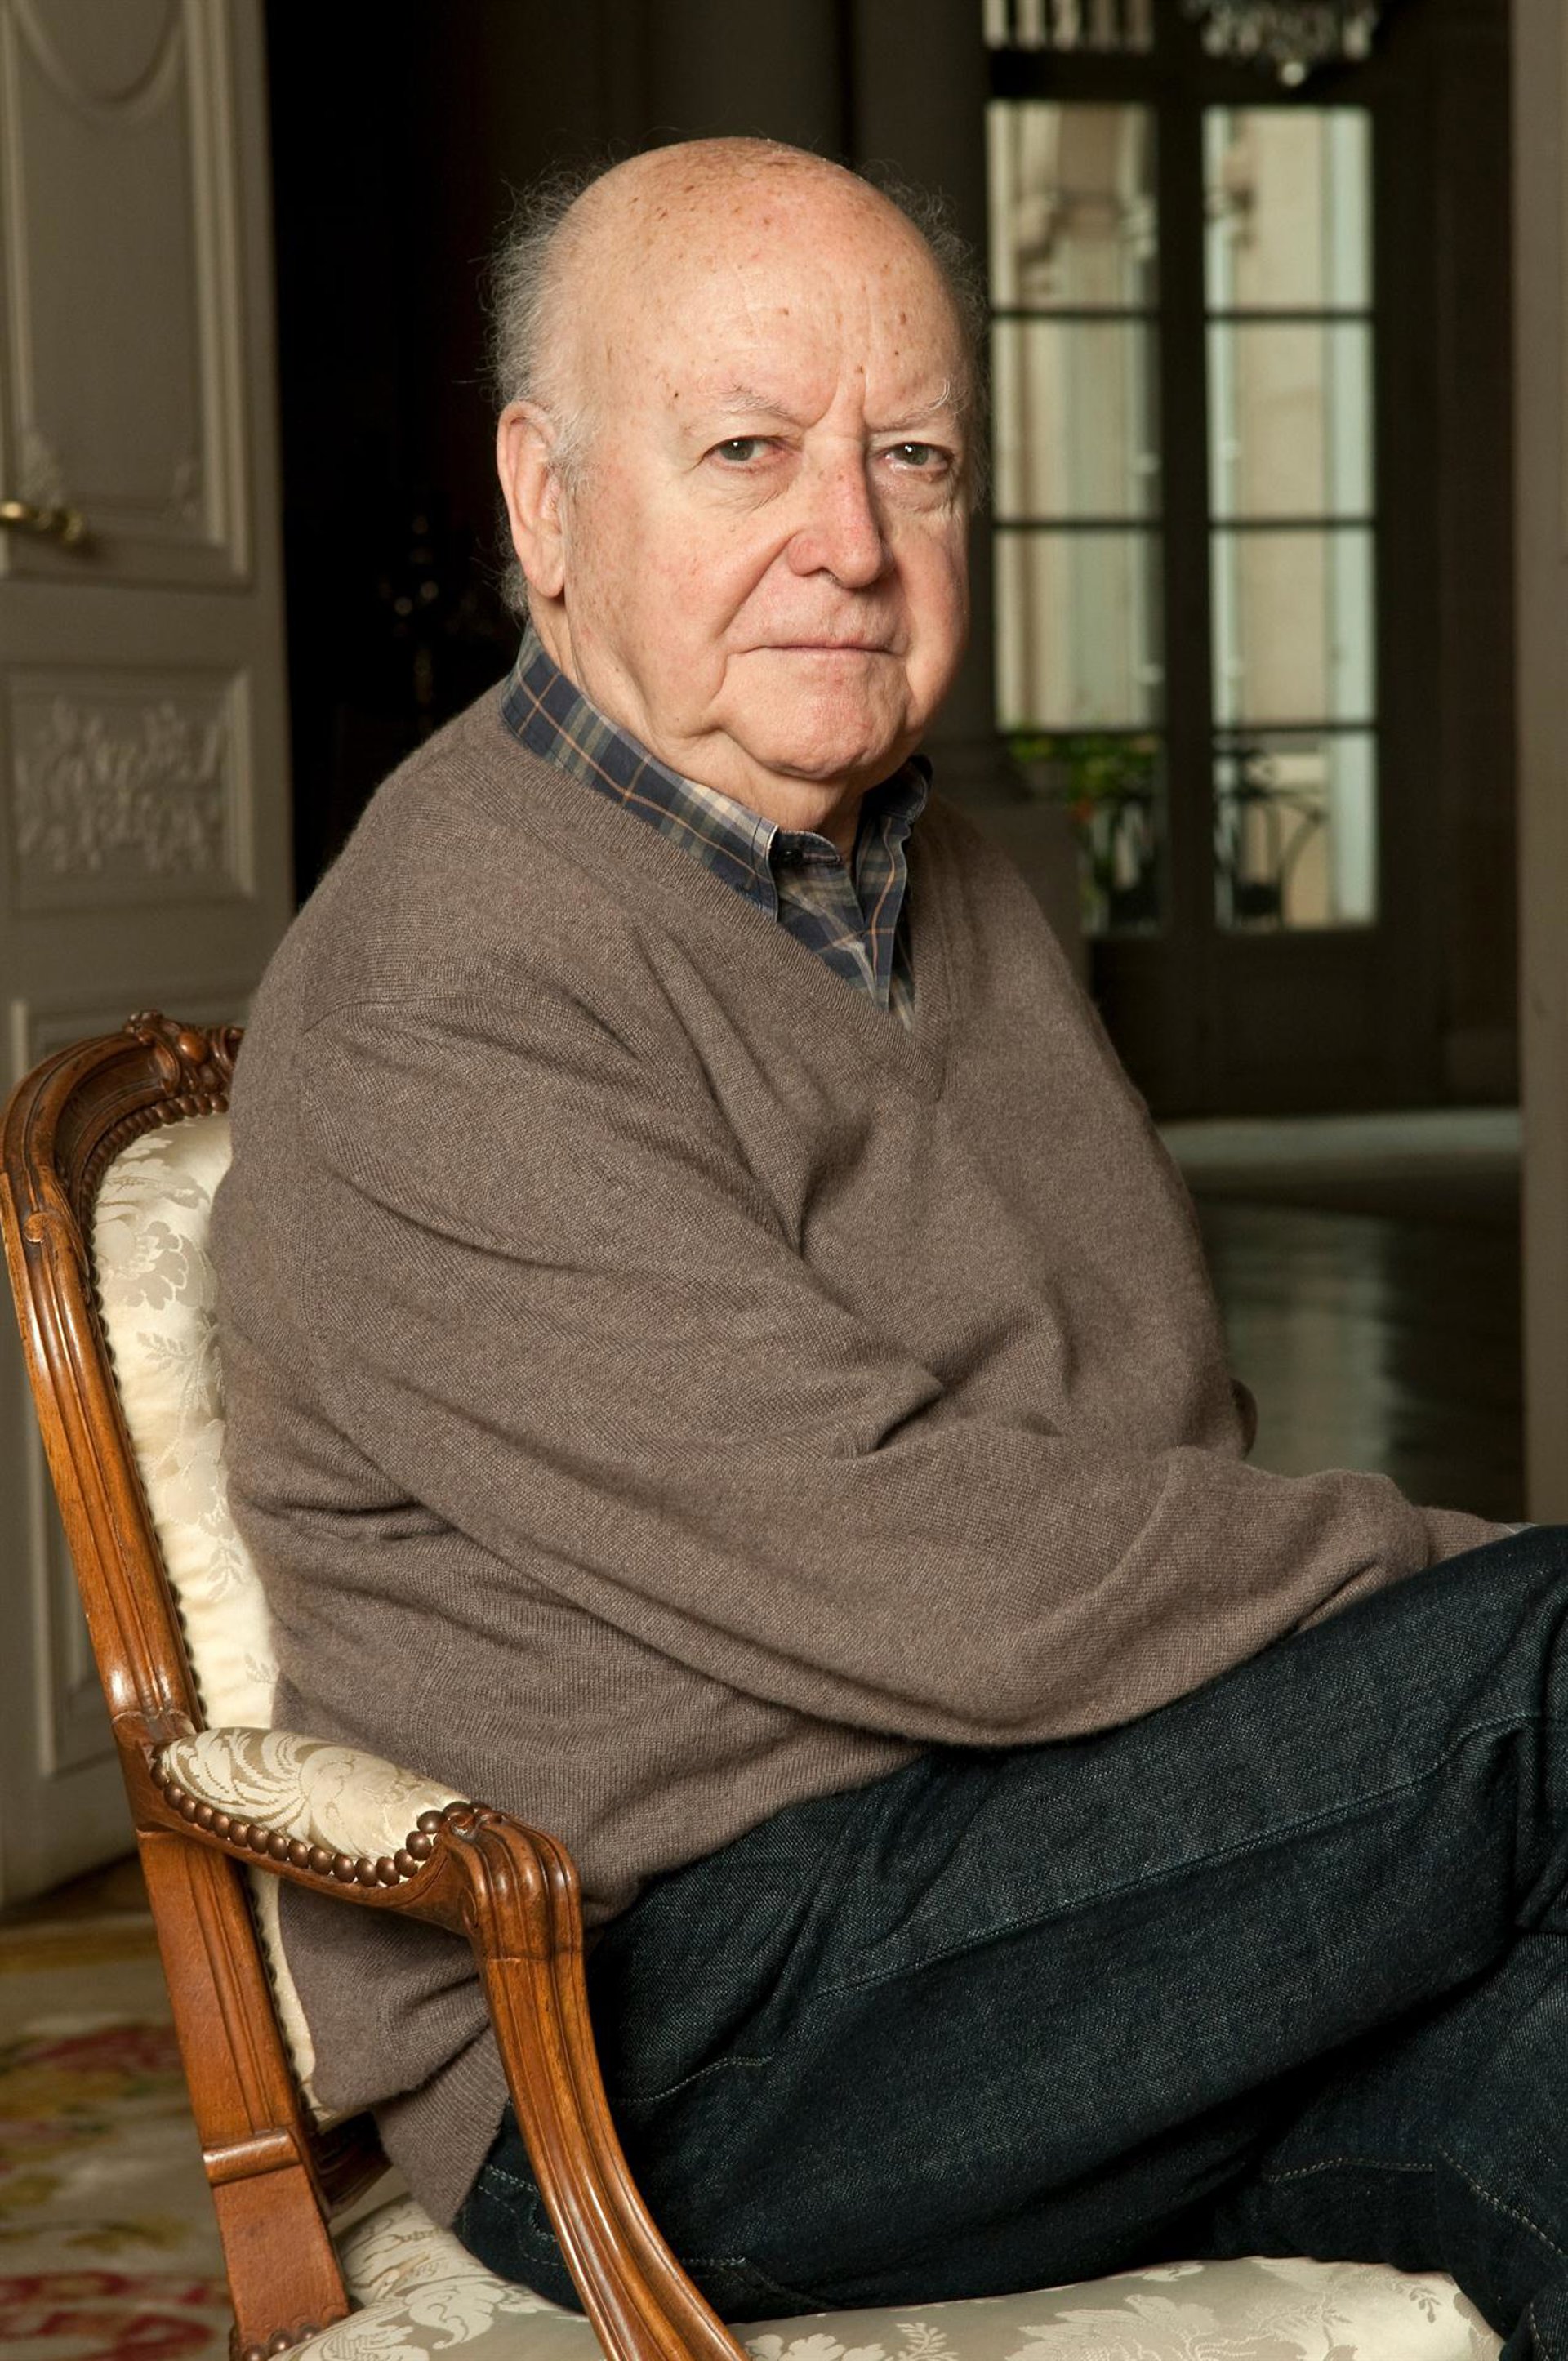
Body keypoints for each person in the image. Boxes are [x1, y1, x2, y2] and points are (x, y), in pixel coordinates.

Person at [212, 138, 1561, 2359]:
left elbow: (1158, 1427)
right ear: (548, 506)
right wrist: (1451, 1611)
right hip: (675, 2030)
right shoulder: (447, 977)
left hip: (1061, 1882)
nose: (850, 539)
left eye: (912, 456)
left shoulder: (951, 881)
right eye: (748, 450)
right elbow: (936, 1571)